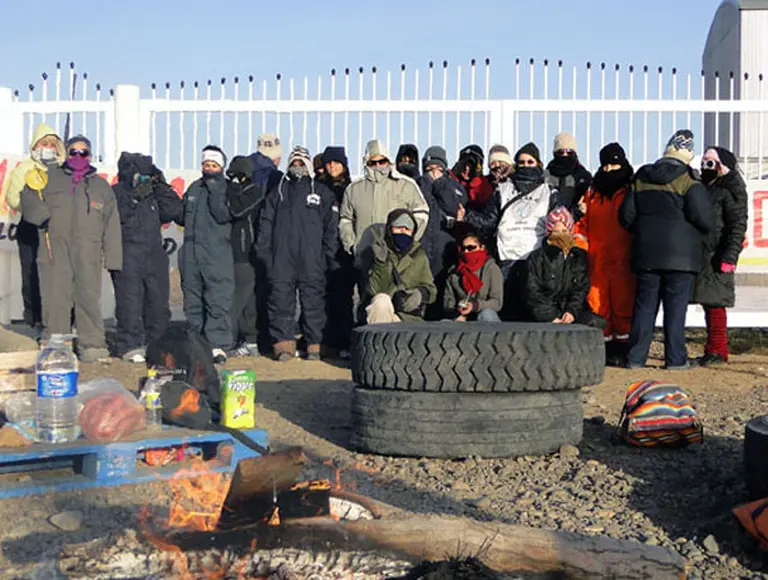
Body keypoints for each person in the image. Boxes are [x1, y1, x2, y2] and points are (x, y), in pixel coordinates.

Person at [21, 135, 121, 362]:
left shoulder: (100, 187)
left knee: (88, 295)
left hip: (89, 251)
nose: (78, 156)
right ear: (67, 154)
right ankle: (56, 343)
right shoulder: (49, 178)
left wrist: (113, 258)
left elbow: (112, 224)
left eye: (83, 152)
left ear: (90, 156)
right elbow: (28, 197)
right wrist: (41, 216)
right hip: (54, 248)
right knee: (56, 296)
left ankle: (92, 344)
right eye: (73, 152)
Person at [619, 130, 714, 370]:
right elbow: (704, 220)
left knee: (644, 308)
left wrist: (644, 231)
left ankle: (635, 358)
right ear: (688, 154)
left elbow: (625, 217)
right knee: (675, 310)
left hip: (646, 255)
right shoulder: (689, 181)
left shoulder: (640, 179)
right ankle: (675, 359)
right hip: (681, 259)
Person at [462, 142, 561, 321]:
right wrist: (466, 216)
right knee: (508, 312)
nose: (525, 166)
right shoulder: (503, 189)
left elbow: (559, 222)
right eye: (521, 162)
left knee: (532, 311)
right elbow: (489, 221)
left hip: (535, 259)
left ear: (538, 164)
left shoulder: (549, 191)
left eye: (530, 162)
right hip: (507, 257)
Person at [257, 146, 338, 361]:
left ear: (309, 165)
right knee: (281, 301)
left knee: (314, 302)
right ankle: (284, 344)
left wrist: (326, 256)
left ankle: (314, 343)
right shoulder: (278, 192)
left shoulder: (321, 193)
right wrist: (265, 254)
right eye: (294, 162)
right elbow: (265, 224)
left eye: (302, 162)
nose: (298, 166)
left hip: (312, 258)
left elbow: (331, 228)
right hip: (281, 257)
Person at [339, 139, 429, 315]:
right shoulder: (354, 189)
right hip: (366, 256)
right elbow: (345, 219)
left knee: (400, 303)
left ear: (389, 161)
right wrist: (351, 244)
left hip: (399, 257)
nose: (379, 165)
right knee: (367, 303)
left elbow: (422, 213)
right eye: (374, 162)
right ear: (367, 163)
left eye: (383, 161)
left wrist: (410, 239)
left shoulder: (406, 184)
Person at [111, 153, 181, 363]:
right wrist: (134, 199)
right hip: (127, 251)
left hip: (154, 252)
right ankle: (130, 344)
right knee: (129, 301)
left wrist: (160, 185)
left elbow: (175, 211)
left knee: (158, 302)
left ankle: (158, 343)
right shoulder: (116, 192)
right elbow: (115, 217)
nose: (142, 179)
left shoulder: (153, 193)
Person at [574, 143, 636, 366]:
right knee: (598, 305)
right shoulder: (592, 191)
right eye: (605, 164)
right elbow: (583, 224)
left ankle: (624, 350)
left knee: (623, 306)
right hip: (597, 258)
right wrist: (580, 248)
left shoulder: (630, 188)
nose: (609, 169)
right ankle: (604, 349)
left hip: (623, 257)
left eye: (614, 163)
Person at [2, 123, 65, 330]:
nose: (47, 147)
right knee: (32, 276)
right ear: (34, 145)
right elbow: (12, 198)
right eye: (43, 143)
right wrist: (35, 209)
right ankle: (36, 320)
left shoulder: (64, 170)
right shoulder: (24, 169)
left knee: (60, 276)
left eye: (51, 144)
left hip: (58, 229)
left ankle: (62, 322)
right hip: (31, 229)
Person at [691, 147, 749, 367]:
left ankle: (719, 350)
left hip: (719, 254)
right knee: (709, 302)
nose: (706, 165)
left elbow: (737, 225)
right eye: (704, 161)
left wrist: (730, 256)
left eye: (711, 162)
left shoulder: (731, 188)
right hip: (706, 253)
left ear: (723, 164)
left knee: (716, 304)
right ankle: (712, 349)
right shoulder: (709, 186)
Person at [178, 145, 234, 364]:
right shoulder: (193, 188)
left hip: (216, 251)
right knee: (192, 299)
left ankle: (217, 344)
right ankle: (195, 343)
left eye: (214, 165)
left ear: (221, 167)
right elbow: (181, 215)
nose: (209, 169)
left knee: (217, 298)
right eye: (206, 165)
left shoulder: (225, 188)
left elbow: (223, 215)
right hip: (191, 252)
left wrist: (215, 189)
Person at [416, 146, 467, 319]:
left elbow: (454, 207)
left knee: (441, 294)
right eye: (429, 169)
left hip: (444, 250)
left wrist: (439, 184)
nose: (433, 173)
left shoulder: (454, 186)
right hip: (421, 249)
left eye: (438, 168)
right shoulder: (417, 185)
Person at [526, 207, 598, 326]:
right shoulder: (537, 258)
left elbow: (580, 289)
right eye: (556, 232)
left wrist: (571, 312)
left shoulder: (578, 257)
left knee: (595, 322)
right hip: (544, 317)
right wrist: (551, 317)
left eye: (565, 231)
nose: (561, 237)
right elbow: (533, 293)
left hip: (569, 314)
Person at [226, 155, 266, 358]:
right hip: (231, 254)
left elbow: (237, 209)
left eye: (237, 175)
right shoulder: (233, 191)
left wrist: (232, 189)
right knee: (246, 301)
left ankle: (233, 340)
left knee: (238, 300)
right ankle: (249, 341)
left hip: (246, 253)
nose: (233, 179)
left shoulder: (254, 192)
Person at [366, 209, 436, 324]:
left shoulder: (419, 256)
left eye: (407, 229)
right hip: (381, 313)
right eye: (398, 227)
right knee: (381, 301)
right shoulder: (376, 251)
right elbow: (374, 290)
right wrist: (380, 263)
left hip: (407, 317)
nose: (403, 231)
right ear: (389, 229)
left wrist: (420, 294)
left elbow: (431, 290)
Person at [249, 133, 284, 349]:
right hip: (267, 240)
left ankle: (248, 337)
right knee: (268, 290)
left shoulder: (243, 169)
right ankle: (264, 338)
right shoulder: (276, 178)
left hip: (242, 240)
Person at [319, 146, 354, 358]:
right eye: (329, 163)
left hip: (343, 252)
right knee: (321, 297)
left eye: (336, 162)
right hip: (322, 249)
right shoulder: (318, 187)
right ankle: (326, 341)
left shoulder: (351, 188)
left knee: (343, 299)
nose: (332, 166)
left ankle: (344, 342)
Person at [443, 232, 503, 322]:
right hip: (462, 316)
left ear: (482, 247)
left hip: (483, 314)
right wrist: (456, 313)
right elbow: (448, 301)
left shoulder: (491, 269)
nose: (466, 252)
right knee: (444, 323)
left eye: (471, 248)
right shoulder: (455, 271)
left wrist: (474, 306)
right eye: (463, 248)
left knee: (486, 314)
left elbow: (497, 302)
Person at [546, 132, 592, 220]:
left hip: (576, 226)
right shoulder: (546, 175)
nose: (565, 155)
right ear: (554, 153)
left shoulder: (584, 176)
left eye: (569, 152)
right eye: (560, 152)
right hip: (551, 226)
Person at [449, 144, 493, 212]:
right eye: (463, 164)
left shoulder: (485, 187)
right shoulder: (449, 182)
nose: (466, 168)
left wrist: (475, 181)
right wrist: (452, 175)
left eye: (471, 165)